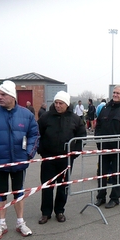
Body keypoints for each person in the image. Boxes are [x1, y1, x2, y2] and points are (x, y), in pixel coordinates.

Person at [0, 80, 39, 240]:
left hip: (19, 161)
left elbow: (34, 135)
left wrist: (28, 153)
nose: (0, 97)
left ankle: (20, 222)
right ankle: (2, 224)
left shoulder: (27, 115)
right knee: (1, 192)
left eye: (3, 94)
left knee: (19, 192)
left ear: (12, 96)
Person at [37, 91, 86, 224]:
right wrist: (41, 150)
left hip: (66, 159)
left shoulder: (75, 119)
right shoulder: (45, 117)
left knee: (63, 186)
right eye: (56, 103)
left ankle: (59, 211)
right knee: (47, 186)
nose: (58, 105)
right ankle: (45, 213)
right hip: (49, 159)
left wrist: (75, 153)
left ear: (67, 104)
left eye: (61, 103)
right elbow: (37, 134)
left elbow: (81, 137)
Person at [94, 85, 120, 208]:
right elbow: (99, 126)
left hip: (118, 149)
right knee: (101, 173)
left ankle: (114, 198)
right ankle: (100, 197)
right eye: (114, 92)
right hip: (104, 148)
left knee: (117, 174)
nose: (115, 95)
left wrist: (117, 138)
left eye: (118, 93)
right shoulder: (105, 108)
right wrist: (98, 141)